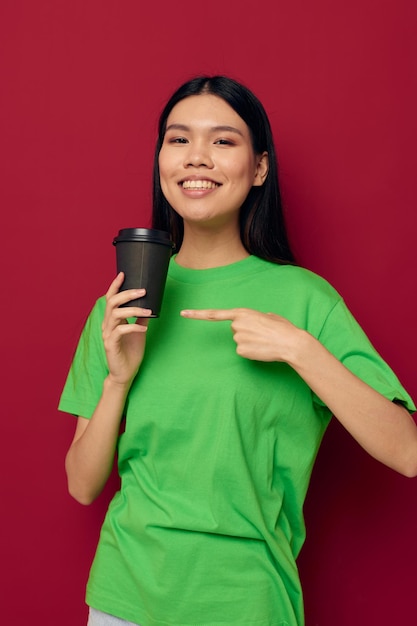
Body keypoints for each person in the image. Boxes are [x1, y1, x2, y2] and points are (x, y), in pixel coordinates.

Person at [59, 75, 417, 626]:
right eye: (178, 140)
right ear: (161, 161)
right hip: (124, 596)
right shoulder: (123, 303)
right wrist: (117, 381)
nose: (196, 158)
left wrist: (300, 349)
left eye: (222, 141)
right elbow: (82, 485)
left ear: (259, 168)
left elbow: (408, 452)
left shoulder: (305, 300)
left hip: (246, 601)